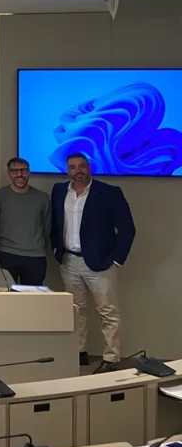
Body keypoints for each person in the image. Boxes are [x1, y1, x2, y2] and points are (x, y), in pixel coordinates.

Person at [51, 153, 135, 374]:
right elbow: (55, 223)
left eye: (82, 166)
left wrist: (116, 259)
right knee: (75, 310)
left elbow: (127, 228)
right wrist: (56, 249)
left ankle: (111, 358)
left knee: (108, 311)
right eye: (72, 167)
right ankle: (79, 352)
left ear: (89, 167)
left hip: (100, 263)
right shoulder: (59, 190)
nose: (77, 171)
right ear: (67, 170)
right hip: (69, 261)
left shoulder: (109, 192)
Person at [0, 157, 51, 286]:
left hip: (35, 256)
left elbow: (47, 227)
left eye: (23, 170)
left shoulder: (42, 197)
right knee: (5, 295)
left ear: (29, 172)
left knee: (33, 296)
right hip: (5, 254)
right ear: (9, 173)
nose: (19, 174)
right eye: (14, 171)